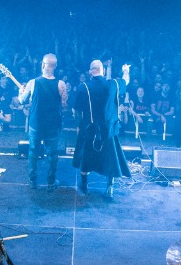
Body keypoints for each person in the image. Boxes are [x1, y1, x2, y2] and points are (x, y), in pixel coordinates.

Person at [72, 59, 130, 198]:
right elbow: (126, 81)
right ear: (103, 71)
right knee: (110, 157)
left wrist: (79, 126)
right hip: (108, 130)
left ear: (90, 72)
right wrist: (126, 70)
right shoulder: (113, 84)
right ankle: (109, 187)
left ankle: (84, 186)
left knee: (86, 157)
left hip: (89, 129)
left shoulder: (83, 87)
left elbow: (77, 111)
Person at [19, 53, 69, 190]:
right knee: (52, 154)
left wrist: (20, 91)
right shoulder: (61, 84)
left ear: (42, 65)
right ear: (55, 66)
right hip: (52, 125)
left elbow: (22, 101)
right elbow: (64, 107)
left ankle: (32, 181)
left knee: (33, 151)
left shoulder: (32, 83)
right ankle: (51, 183)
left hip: (36, 124)